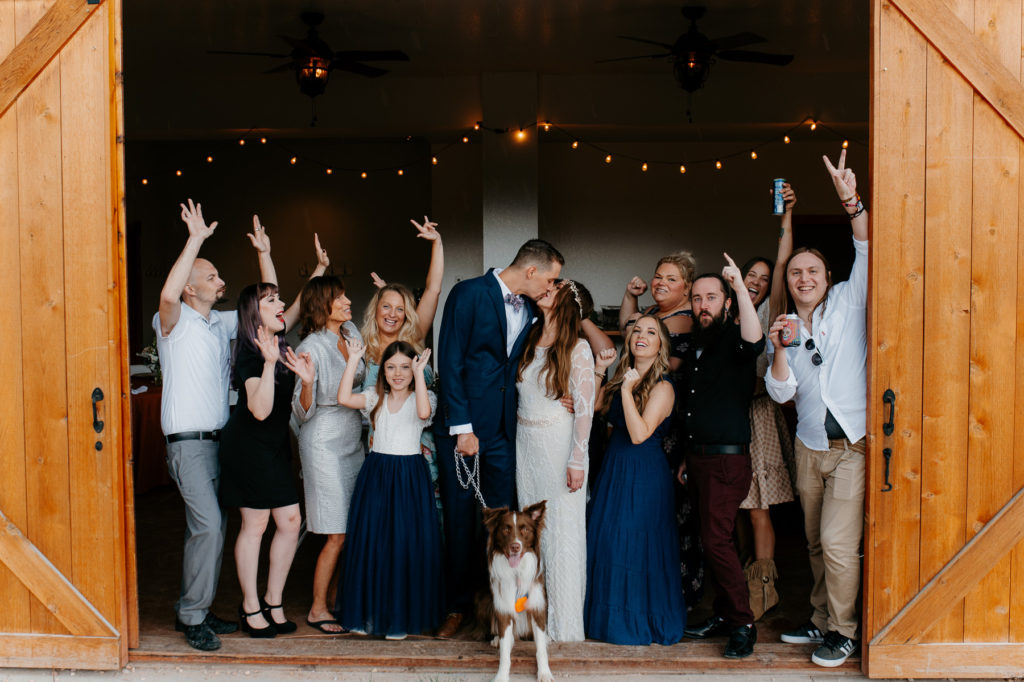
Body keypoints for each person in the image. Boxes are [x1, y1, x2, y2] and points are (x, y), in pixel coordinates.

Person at [154, 201, 287, 650]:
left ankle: (198, 607)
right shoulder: (171, 321)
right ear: (192, 288)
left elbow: (267, 304)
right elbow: (168, 296)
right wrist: (195, 241)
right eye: (211, 277)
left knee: (214, 527)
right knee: (209, 525)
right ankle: (191, 615)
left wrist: (265, 253)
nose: (221, 281)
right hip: (187, 444)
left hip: (221, 443)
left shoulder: (222, 324)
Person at [766, 149, 869, 668]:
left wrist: (849, 198)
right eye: (796, 272)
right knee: (811, 544)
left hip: (851, 447)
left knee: (835, 544)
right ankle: (820, 618)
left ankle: (845, 631)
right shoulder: (784, 328)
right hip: (809, 448)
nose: (803, 277)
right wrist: (780, 348)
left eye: (813, 270)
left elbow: (865, 246)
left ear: (828, 276)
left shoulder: (850, 302)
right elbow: (781, 394)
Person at [433, 239, 564, 638]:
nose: (552, 286)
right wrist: (463, 428)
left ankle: (501, 611)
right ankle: (456, 607)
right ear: (531, 271)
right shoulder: (468, 293)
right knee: (458, 522)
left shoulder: (531, 308)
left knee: (506, 528)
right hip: (465, 432)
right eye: (551, 278)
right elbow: (450, 359)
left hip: (506, 434)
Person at [678, 256, 765, 660]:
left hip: (727, 463)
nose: (702, 305)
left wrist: (738, 288)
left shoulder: (735, 338)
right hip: (698, 459)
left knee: (716, 541)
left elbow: (754, 341)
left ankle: (743, 624)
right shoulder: (699, 344)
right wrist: (686, 455)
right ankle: (723, 614)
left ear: (727, 302)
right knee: (712, 540)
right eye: (697, 299)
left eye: (711, 297)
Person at [218, 282, 313, 638]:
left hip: (274, 448)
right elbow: (259, 410)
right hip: (247, 448)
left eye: (281, 298)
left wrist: (306, 382)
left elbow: (301, 412)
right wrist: (270, 365)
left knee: (290, 521)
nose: (282, 304)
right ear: (254, 313)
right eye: (272, 300)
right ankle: (250, 606)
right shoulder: (249, 354)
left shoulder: (284, 349)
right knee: (255, 526)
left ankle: (274, 601)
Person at [584, 315, 685, 646]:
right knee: (608, 541)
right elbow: (596, 407)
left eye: (651, 332)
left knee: (638, 546)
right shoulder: (621, 375)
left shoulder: (664, 386)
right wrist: (602, 370)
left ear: (660, 346)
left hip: (644, 474)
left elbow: (640, 433)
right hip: (614, 468)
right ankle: (607, 621)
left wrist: (627, 389)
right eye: (637, 330)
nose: (642, 335)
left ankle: (639, 622)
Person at [336, 339, 443, 639]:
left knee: (403, 544)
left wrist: (420, 374)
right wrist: (354, 358)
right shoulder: (374, 397)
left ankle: (399, 619)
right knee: (373, 542)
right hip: (377, 474)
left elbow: (423, 413)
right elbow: (344, 397)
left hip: (409, 475)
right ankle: (366, 615)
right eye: (391, 367)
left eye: (405, 367)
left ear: (415, 369)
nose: (398, 373)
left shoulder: (424, 397)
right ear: (382, 371)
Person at [515, 280, 599, 642]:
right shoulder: (528, 337)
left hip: (559, 447)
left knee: (560, 536)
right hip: (525, 447)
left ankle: (564, 628)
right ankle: (531, 619)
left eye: (556, 286)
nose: (546, 287)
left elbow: (584, 411)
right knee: (531, 535)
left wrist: (577, 460)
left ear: (569, 300)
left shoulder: (578, 348)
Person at [737, 182, 797, 620]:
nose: (757, 283)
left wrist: (786, 218)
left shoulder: (771, 310)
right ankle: (741, 584)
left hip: (759, 414)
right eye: (749, 278)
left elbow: (782, 263)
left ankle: (763, 591)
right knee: (736, 506)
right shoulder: (728, 312)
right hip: (729, 418)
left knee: (758, 507)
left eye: (761, 279)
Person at [291, 275, 363, 634]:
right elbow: (301, 413)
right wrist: (306, 383)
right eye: (340, 297)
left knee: (350, 528)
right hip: (322, 442)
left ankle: (336, 599)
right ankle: (318, 608)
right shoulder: (311, 347)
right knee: (335, 532)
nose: (348, 301)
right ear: (323, 305)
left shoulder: (352, 334)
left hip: (354, 440)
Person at [361, 217, 443, 520]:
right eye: (386, 306)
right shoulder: (364, 352)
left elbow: (433, 290)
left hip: (420, 449)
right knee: (385, 520)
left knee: (423, 518)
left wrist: (437, 243)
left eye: (399, 308)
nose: (392, 314)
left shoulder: (414, 338)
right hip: (381, 452)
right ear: (376, 309)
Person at [618, 251, 698, 371]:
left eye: (671, 279)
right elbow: (625, 329)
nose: (661, 282)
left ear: (687, 287)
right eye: (658, 277)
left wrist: (632, 328)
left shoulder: (683, 320)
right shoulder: (653, 309)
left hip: (659, 388)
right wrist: (631, 295)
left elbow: (668, 368)